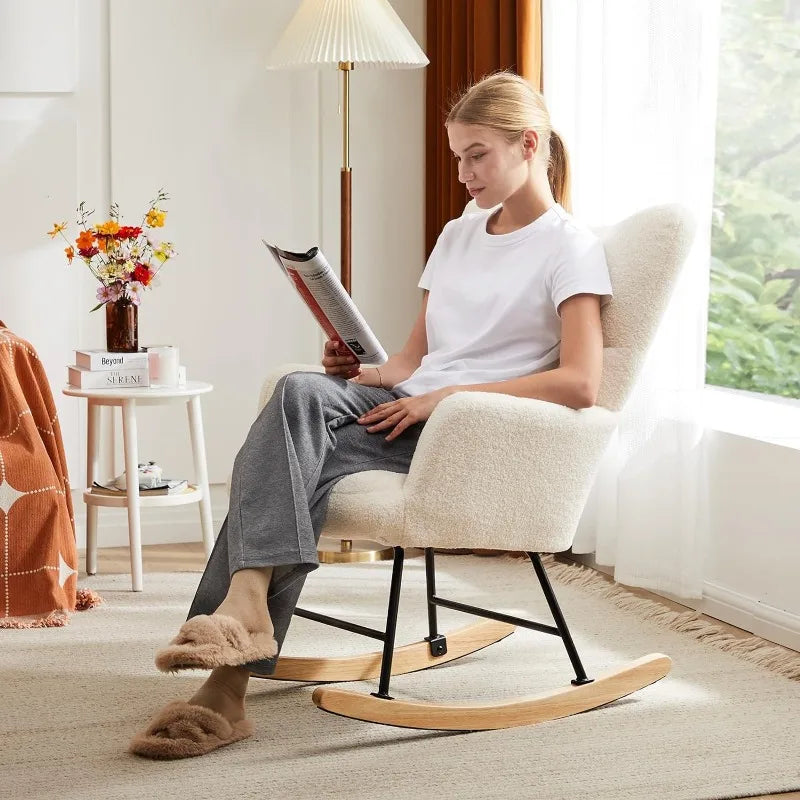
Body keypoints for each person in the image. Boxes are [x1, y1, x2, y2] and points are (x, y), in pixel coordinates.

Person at [129, 71, 612, 759]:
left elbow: (580, 382)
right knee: (299, 393)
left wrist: (446, 399)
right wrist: (356, 369)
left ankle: (226, 686)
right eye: (456, 156)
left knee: (297, 469)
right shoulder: (458, 234)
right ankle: (243, 606)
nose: (463, 172)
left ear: (528, 144)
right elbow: (412, 362)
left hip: (465, 431)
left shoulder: (570, 246)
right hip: (406, 407)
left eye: (477, 154)